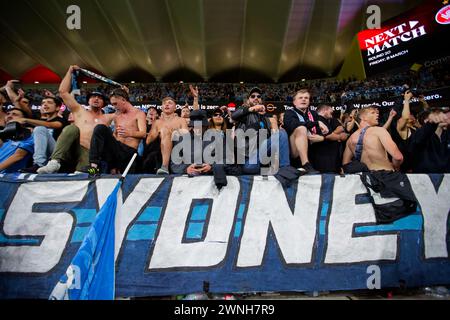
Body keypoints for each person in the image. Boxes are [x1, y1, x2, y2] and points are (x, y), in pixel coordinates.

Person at [342, 106, 417, 224]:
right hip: (390, 179)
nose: (377, 115)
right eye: (372, 113)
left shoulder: (351, 139)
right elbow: (398, 156)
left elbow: (345, 165)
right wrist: (396, 168)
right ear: (363, 117)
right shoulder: (379, 131)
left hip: (368, 183)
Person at [38, 65, 115, 174]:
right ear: (88, 101)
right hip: (68, 149)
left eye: (100, 98)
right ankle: (54, 162)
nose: (96, 99)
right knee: (71, 128)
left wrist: (124, 94)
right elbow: (63, 92)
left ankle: (84, 171)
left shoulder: (108, 117)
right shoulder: (79, 110)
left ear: (104, 103)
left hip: (89, 153)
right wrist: (69, 72)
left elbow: (125, 111)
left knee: (82, 176)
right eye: (93, 97)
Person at [83, 88, 146, 175]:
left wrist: (129, 133)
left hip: (129, 151)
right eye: (113, 105)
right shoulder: (117, 116)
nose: (115, 107)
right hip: (117, 150)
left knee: (100, 129)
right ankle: (93, 167)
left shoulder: (139, 113)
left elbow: (143, 134)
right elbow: (115, 135)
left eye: (115, 104)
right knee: (100, 128)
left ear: (123, 100)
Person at [232, 87, 290, 175]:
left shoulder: (266, 119)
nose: (256, 98)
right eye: (253, 96)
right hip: (248, 162)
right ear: (248, 100)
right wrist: (252, 109)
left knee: (281, 133)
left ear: (261, 100)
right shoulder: (245, 115)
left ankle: (285, 168)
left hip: (263, 159)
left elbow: (271, 142)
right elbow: (234, 116)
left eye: (258, 96)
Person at [17, 96, 68, 173]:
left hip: (57, 156)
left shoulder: (61, 119)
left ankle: (39, 164)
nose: (45, 105)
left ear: (57, 108)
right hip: (39, 154)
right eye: (43, 103)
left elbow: (52, 125)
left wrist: (26, 120)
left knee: (40, 128)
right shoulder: (38, 121)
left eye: (49, 103)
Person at [283, 89, 329, 174]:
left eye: (306, 98)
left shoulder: (314, 114)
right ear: (294, 102)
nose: (304, 99)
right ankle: (305, 164)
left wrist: (322, 138)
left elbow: (325, 132)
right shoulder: (289, 113)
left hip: (313, 151)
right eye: (300, 98)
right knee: (302, 128)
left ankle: (311, 166)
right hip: (293, 152)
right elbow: (292, 125)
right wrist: (316, 123)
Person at [146, 96, 189, 174]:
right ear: (162, 108)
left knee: (166, 131)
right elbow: (148, 141)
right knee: (164, 131)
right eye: (164, 103)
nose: (166, 105)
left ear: (175, 108)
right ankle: (164, 166)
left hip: (178, 149)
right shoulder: (157, 122)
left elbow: (186, 135)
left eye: (170, 103)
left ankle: (165, 167)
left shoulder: (181, 120)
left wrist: (173, 132)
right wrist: (158, 132)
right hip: (159, 150)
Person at [308, 105, 347, 173]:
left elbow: (330, 134)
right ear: (324, 110)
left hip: (327, 160)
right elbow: (328, 135)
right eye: (330, 110)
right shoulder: (319, 119)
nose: (332, 112)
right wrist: (340, 137)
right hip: (324, 160)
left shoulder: (324, 120)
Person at [409, 108, 449, 173]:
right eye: (437, 115)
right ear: (426, 120)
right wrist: (431, 123)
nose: (443, 117)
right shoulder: (419, 134)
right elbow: (419, 139)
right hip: (427, 179)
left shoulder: (447, 134)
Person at [0, 108, 34, 173]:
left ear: (23, 120)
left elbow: (18, 156)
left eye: (14, 114)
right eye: (8, 114)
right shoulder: (3, 136)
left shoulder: (30, 135)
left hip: (8, 178)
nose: (9, 116)